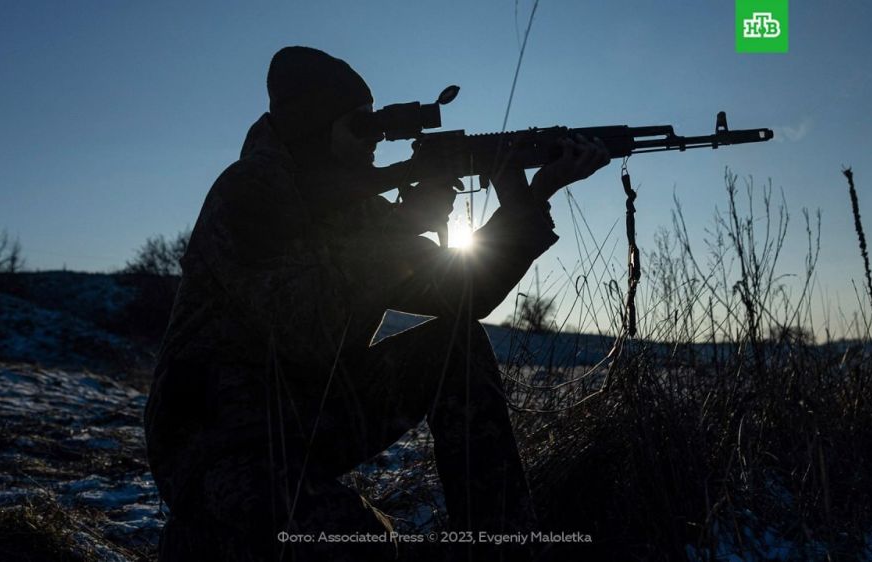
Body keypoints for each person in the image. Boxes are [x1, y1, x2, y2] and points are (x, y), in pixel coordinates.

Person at [144, 46, 609, 561]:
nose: (376, 140)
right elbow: (308, 330)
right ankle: (202, 536)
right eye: (360, 126)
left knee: (453, 342)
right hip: (218, 442)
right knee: (360, 545)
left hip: (305, 418)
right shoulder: (248, 193)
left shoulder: (360, 210)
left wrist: (529, 197)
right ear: (312, 127)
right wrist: (404, 224)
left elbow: (464, 295)